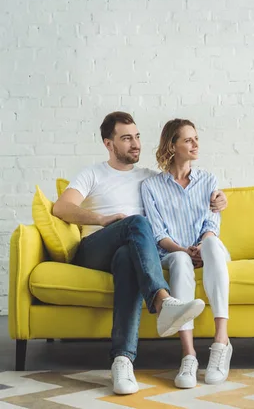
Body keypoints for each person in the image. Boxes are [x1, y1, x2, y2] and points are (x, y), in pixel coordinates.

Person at [53, 112, 228, 396]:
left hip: (127, 252)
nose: (135, 144)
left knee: (126, 258)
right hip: (94, 249)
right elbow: (61, 208)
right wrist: (102, 219)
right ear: (109, 144)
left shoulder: (149, 179)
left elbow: (185, 195)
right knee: (136, 222)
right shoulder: (93, 173)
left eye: (136, 137)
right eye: (126, 138)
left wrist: (219, 198)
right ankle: (161, 300)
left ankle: (122, 361)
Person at [141, 118, 232, 390]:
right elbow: (158, 234)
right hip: (172, 252)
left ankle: (221, 342)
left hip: (207, 248)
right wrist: (184, 250)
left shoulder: (208, 180)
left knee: (213, 244)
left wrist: (202, 244)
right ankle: (189, 355)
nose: (196, 144)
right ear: (172, 145)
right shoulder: (151, 186)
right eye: (188, 140)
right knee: (180, 260)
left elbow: (211, 223)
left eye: (196, 138)